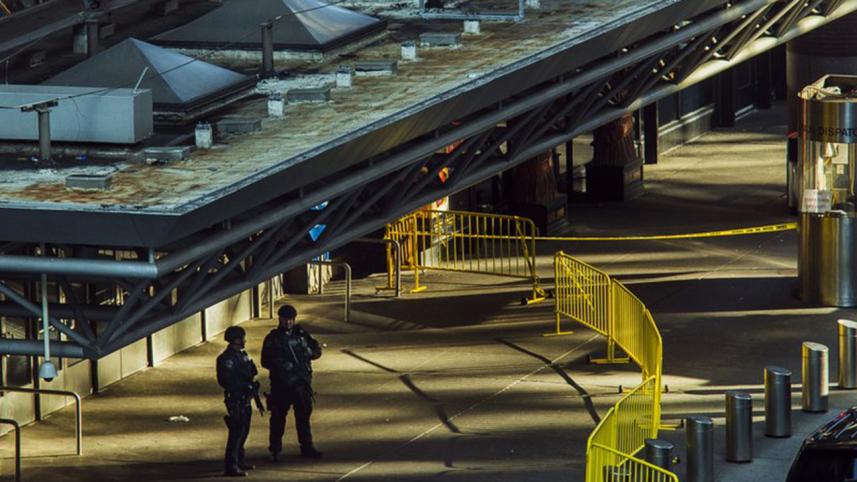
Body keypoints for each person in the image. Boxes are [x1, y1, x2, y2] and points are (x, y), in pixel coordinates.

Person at [261, 304, 323, 461]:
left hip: (301, 385)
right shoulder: (273, 338)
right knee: (278, 419)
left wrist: (309, 353)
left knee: (303, 418)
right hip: (282, 386)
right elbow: (265, 360)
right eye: (285, 319)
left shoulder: (301, 334)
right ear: (280, 319)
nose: (288, 323)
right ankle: (275, 449)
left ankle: (307, 447)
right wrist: (281, 364)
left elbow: (317, 350)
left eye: (291, 320)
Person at [216, 326, 262, 477]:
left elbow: (251, 371)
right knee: (236, 433)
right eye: (241, 338)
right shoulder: (226, 359)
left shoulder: (243, 355)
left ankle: (240, 460)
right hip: (236, 399)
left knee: (244, 431)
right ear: (234, 339)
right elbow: (226, 381)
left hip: (245, 398)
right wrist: (244, 385)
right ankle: (231, 465)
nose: (243, 341)